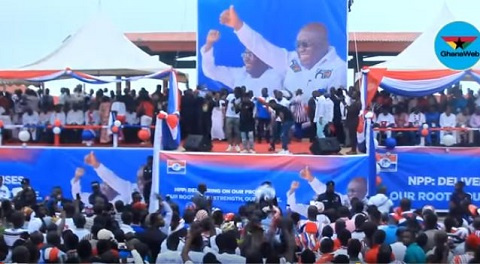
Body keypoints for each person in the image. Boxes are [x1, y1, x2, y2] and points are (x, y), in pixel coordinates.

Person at [220, 5, 346, 96]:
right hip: (290, 123)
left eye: (305, 44)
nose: (300, 49)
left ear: (321, 45)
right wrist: (238, 26)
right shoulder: (291, 60)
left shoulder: (338, 69)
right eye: (298, 45)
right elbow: (261, 47)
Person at [201, 29, 283, 96]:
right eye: (245, 54)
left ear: (263, 56)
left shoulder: (279, 74)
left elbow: (294, 67)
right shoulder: (239, 74)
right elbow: (211, 71)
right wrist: (209, 44)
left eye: (250, 55)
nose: (246, 59)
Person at [71, 152, 145, 204]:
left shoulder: (121, 200)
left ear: (114, 189)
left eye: (143, 178)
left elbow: (112, 179)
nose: (140, 182)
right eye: (138, 178)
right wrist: (77, 178)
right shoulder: (93, 199)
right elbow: (78, 197)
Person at [225, 87, 242, 152]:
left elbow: (238, 109)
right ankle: (230, 145)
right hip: (229, 115)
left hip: (237, 117)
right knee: (229, 132)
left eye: (236, 92)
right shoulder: (230, 96)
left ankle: (237, 145)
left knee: (237, 132)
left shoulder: (241, 99)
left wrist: (235, 103)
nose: (235, 93)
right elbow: (226, 104)